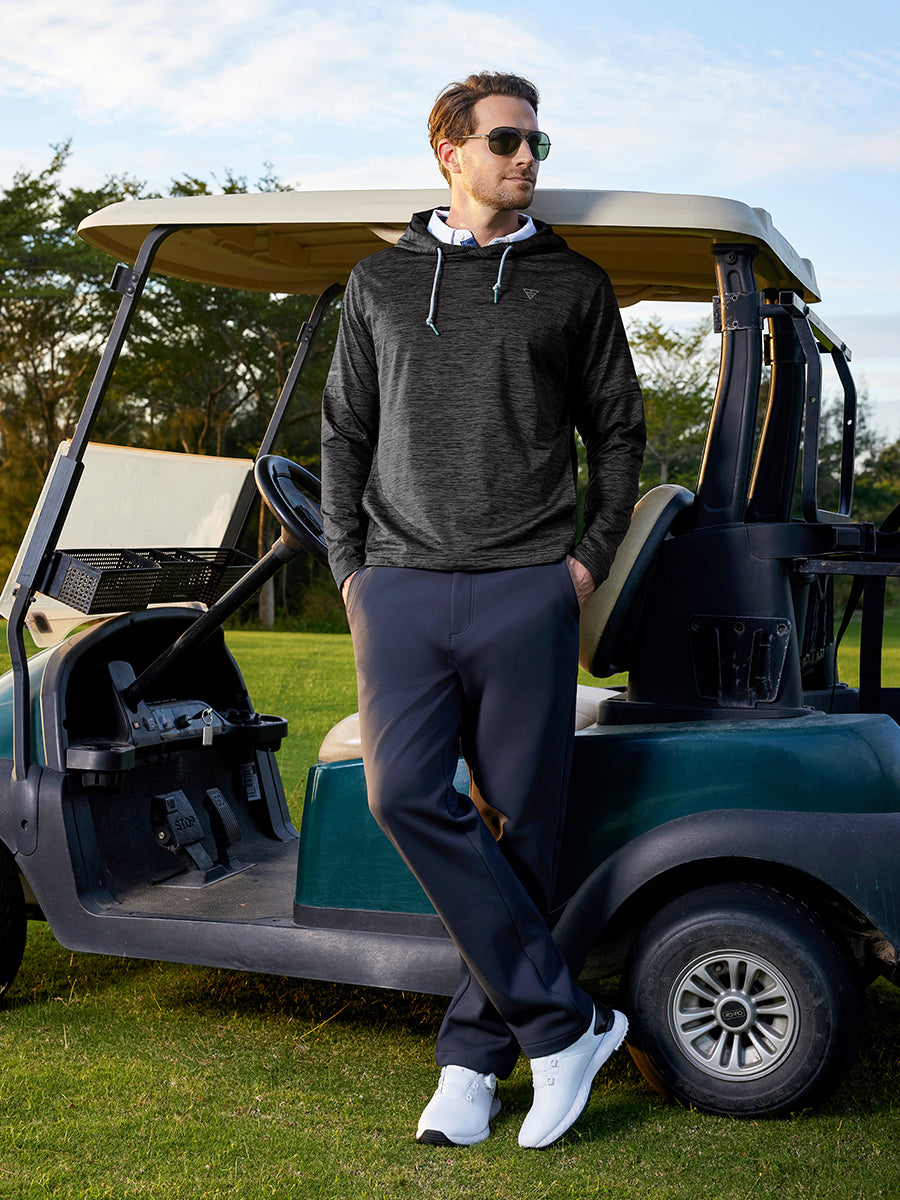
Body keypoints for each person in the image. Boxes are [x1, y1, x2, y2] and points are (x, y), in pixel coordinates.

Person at [321, 71, 645, 1150]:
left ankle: (470, 1062)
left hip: (527, 587)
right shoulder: (377, 281)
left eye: (538, 143)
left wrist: (583, 566)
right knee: (404, 794)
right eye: (507, 140)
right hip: (400, 586)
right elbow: (344, 434)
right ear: (449, 151)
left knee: (523, 827)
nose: (527, 158)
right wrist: (353, 572)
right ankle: (566, 1027)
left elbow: (619, 434)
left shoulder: (574, 284)